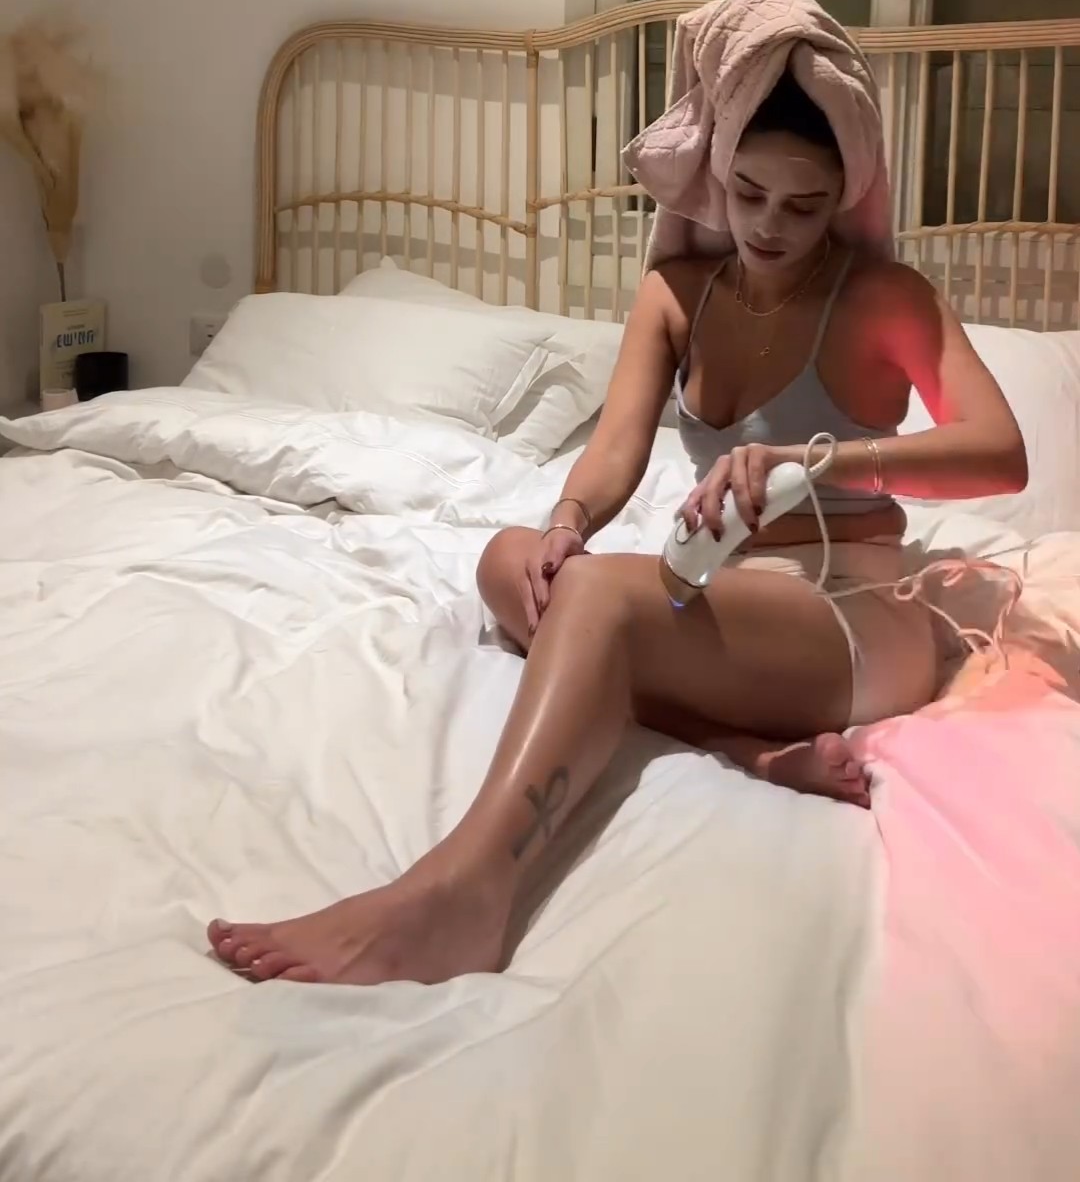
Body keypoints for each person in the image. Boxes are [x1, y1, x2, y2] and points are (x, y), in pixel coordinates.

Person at [207, 67, 1027, 987]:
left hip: (852, 611)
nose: (769, 225)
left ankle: (465, 889)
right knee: (511, 562)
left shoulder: (883, 296)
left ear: (841, 198)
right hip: (732, 596)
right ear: (716, 178)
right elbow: (615, 449)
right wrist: (569, 521)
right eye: (749, 194)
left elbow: (1001, 454)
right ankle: (743, 746)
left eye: (803, 206)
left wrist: (819, 459)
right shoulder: (677, 292)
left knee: (597, 599)